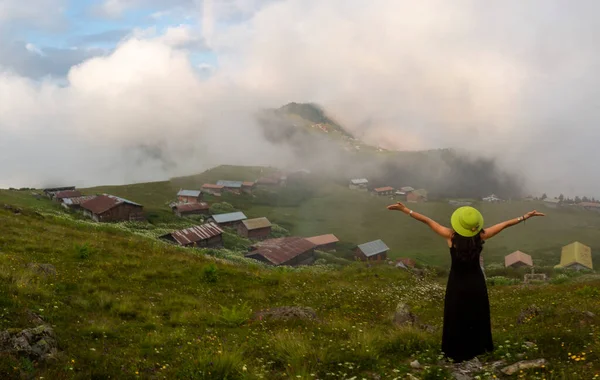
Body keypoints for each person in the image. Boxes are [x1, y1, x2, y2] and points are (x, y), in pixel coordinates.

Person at [387, 203, 545, 363]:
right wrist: (525, 216)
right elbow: (504, 225)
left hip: (457, 283)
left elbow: (428, 221)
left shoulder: (450, 236)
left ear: (458, 224)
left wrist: (406, 210)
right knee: (477, 314)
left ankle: (455, 351)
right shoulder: (481, 236)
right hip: (476, 282)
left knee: (456, 315)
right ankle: (479, 348)